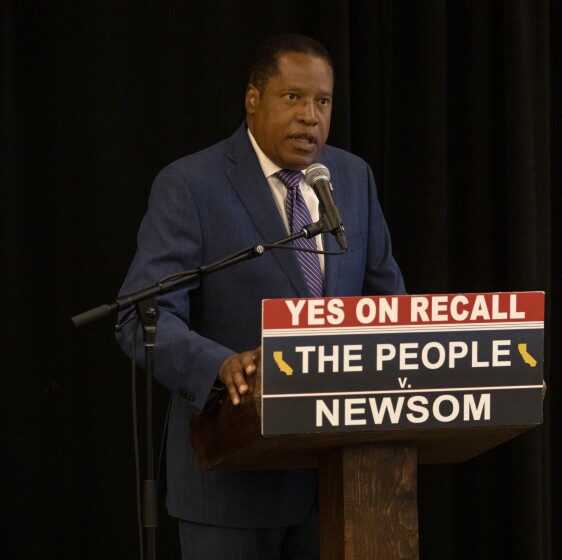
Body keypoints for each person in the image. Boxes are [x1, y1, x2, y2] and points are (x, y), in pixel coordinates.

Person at [116, 34, 405, 559]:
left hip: (343, 484)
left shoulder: (352, 178)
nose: (310, 117)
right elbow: (144, 317)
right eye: (292, 98)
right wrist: (220, 365)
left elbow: (387, 304)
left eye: (322, 102)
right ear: (253, 99)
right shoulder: (192, 184)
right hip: (230, 485)